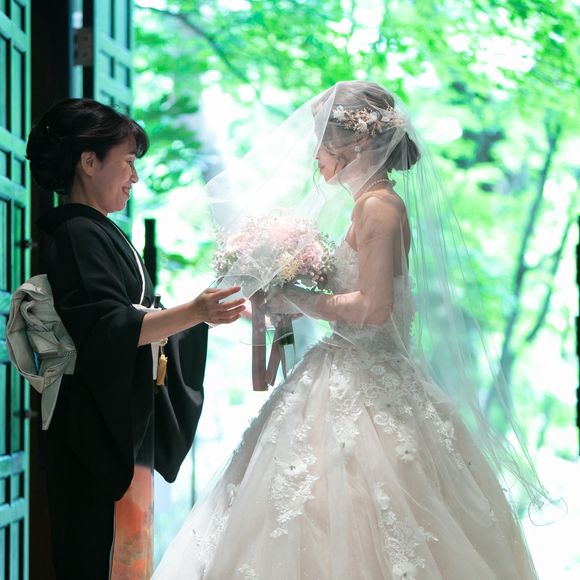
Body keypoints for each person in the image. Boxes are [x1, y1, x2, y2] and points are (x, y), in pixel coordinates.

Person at [153, 81, 547, 579]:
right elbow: (355, 291)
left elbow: (374, 308)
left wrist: (296, 297)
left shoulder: (379, 206)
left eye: (321, 141)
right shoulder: (371, 202)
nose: (314, 154)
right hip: (348, 364)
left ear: (354, 143)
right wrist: (285, 290)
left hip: (366, 377)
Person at [25, 98, 245, 580]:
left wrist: (201, 318)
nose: (135, 177)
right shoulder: (76, 233)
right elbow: (109, 329)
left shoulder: (96, 230)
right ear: (89, 162)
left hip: (118, 418)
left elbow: (132, 322)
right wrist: (195, 311)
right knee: (96, 555)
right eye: (127, 163)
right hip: (92, 428)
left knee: (121, 556)